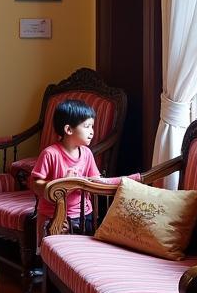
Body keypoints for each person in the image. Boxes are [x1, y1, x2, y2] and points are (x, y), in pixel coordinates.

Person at [28, 99, 136, 233]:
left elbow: (96, 181)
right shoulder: (50, 154)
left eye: (92, 126)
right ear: (68, 129)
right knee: (52, 251)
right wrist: (60, 183)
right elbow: (34, 184)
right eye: (87, 126)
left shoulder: (86, 153)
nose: (92, 131)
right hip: (53, 216)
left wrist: (130, 180)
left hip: (84, 215)